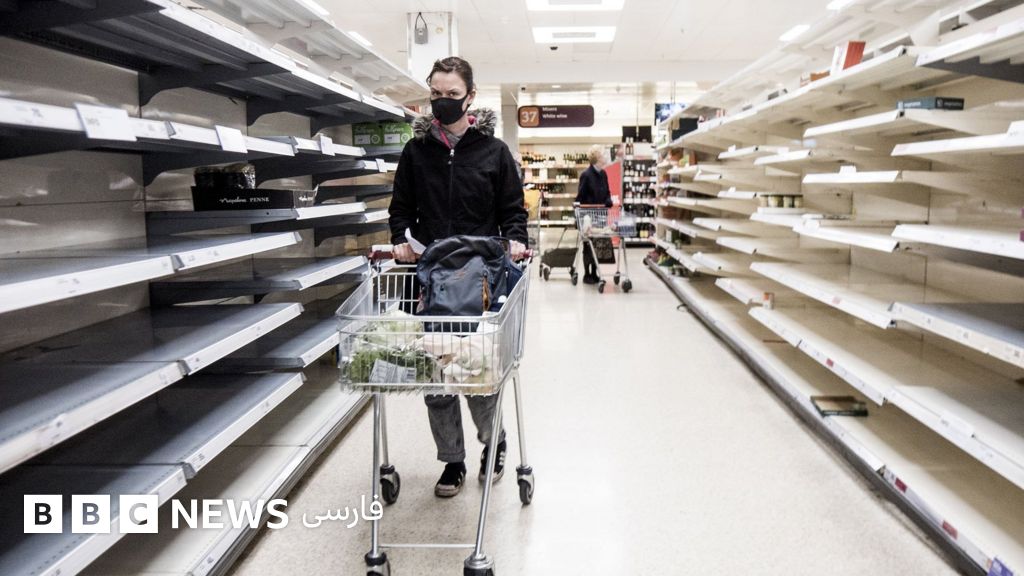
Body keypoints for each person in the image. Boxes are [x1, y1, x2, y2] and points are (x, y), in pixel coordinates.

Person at [388, 56, 528, 498]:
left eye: (452, 94)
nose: (443, 101)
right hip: (429, 278)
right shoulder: (416, 152)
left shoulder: (494, 152)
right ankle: (452, 460)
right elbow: (400, 209)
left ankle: (493, 441)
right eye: (436, 94)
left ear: (471, 97)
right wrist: (399, 239)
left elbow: (513, 211)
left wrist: (516, 240)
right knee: (436, 378)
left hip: (479, 279)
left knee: (476, 372)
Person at [575, 144, 613, 284]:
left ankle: (595, 272)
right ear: (597, 158)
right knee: (588, 245)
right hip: (588, 216)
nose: (606, 157)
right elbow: (580, 197)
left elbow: (607, 192)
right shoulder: (586, 175)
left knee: (598, 244)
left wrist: (608, 200)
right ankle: (587, 274)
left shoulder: (603, 174)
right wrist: (580, 216)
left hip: (600, 215)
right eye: (603, 154)